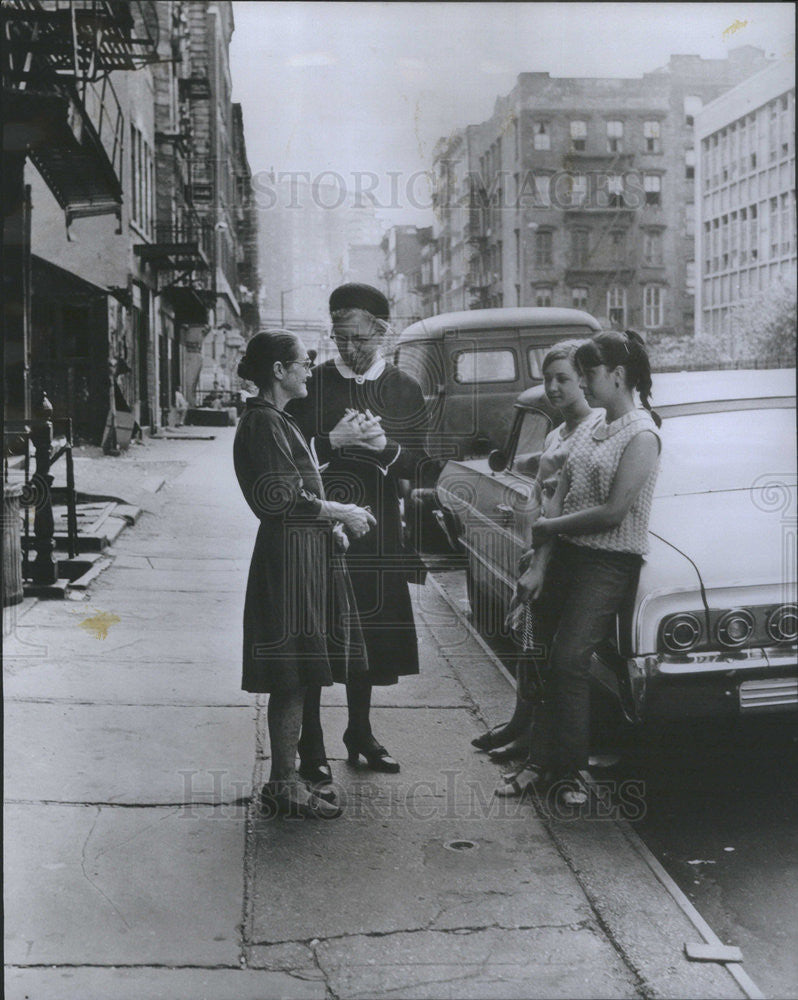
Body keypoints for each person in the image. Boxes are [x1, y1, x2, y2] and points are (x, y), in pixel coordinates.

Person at [509, 329, 661, 808]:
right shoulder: (594, 428)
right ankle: (537, 762)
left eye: (590, 373)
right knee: (540, 655)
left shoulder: (643, 434)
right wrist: (542, 558)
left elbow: (614, 512)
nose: (585, 382)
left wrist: (548, 531)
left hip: (609, 563)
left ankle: (572, 773)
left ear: (618, 375)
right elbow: (559, 497)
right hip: (566, 556)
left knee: (570, 660)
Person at [288, 283, 436, 775]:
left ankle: (359, 730)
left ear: (381, 331)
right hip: (318, 525)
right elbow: (286, 456)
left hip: (376, 531)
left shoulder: (404, 389)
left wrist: (383, 448)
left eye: (358, 339)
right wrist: (332, 440)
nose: (348, 349)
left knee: (367, 634)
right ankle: (310, 743)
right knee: (316, 631)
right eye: (340, 338)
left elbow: (422, 469)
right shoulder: (314, 383)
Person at [233, 331, 376, 817]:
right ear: (279, 370)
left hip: (301, 556)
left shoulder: (276, 419)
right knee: (290, 672)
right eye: (303, 363)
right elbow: (279, 499)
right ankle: (283, 782)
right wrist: (342, 513)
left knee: (296, 671)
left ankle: (286, 779)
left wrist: (328, 527)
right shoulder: (262, 423)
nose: (310, 369)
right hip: (288, 562)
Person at [463, 342, 601, 763]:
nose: (554, 387)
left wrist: (540, 559)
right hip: (542, 549)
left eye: (563, 378)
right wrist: (531, 553)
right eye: (547, 379)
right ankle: (521, 724)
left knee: (551, 655)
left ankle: (535, 742)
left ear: (584, 379)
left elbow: (568, 504)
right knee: (529, 644)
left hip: (569, 556)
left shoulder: (596, 428)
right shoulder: (558, 431)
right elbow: (542, 497)